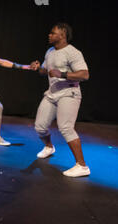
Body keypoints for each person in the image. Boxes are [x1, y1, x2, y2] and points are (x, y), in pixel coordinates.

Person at [30, 23, 90, 177]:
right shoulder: (50, 51)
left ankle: (82, 166)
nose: (49, 35)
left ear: (62, 35)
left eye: (52, 33)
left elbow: (84, 75)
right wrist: (38, 68)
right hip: (52, 94)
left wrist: (62, 74)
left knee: (65, 127)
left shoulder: (73, 52)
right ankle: (49, 147)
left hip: (69, 93)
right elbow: (46, 71)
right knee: (39, 126)